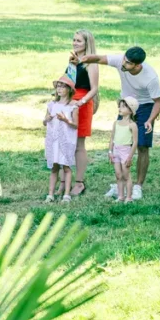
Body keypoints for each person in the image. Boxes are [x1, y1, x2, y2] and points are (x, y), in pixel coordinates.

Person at [73, 45, 160, 200]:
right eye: (124, 60)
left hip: (145, 106)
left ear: (137, 65)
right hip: (126, 104)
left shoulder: (150, 77)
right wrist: (83, 59)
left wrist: (149, 120)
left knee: (142, 145)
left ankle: (137, 186)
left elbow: (158, 102)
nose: (123, 64)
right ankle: (120, 182)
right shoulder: (121, 60)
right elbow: (100, 58)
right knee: (120, 142)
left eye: (128, 63)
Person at [65, 29, 99, 196]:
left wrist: (81, 102)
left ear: (87, 44)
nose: (75, 43)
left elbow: (94, 89)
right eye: (74, 40)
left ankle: (79, 182)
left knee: (79, 145)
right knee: (65, 141)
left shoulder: (91, 63)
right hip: (68, 102)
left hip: (82, 103)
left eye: (79, 41)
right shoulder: (73, 61)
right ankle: (64, 181)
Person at [44, 75, 79, 203]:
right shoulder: (52, 105)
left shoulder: (73, 106)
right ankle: (50, 194)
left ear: (69, 89)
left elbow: (75, 125)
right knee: (54, 167)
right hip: (53, 139)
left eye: (63, 86)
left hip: (66, 140)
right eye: (58, 86)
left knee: (66, 167)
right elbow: (45, 121)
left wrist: (65, 119)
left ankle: (66, 194)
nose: (59, 89)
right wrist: (47, 119)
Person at [109, 97, 139, 203]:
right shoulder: (116, 123)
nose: (120, 108)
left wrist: (130, 156)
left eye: (123, 106)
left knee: (126, 175)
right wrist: (110, 152)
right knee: (118, 174)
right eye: (119, 106)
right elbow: (112, 138)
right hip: (116, 150)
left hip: (125, 151)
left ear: (131, 110)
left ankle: (129, 197)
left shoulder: (132, 125)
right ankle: (121, 196)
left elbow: (135, 142)